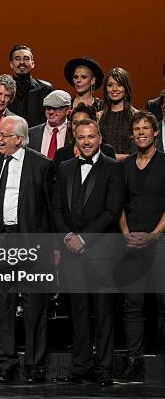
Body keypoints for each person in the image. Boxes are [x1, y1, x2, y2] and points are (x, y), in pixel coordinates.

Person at [51, 119, 125, 386]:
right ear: (75, 138)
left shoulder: (114, 168)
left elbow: (111, 210)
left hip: (102, 252)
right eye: (81, 137)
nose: (86, 141)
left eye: (91, 137)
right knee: (78, 312)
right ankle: (81, 365)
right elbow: (57, 208)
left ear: (100, 137)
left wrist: (84, 238)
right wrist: (68, 237)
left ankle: (104, 368)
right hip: (71, 253)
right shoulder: (66, 167)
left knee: (104, 312)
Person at [0, 116, 55, 383]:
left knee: (34, 305)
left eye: (4, 135)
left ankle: (35, 365)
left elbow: (49, 209)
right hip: (1, 240)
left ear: (20, 140)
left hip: (31, 242)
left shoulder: (41, 165)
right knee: (1, 305)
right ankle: (5, 363)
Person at [117, 111, 165, 383]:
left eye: (145, 128)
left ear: (155, 132)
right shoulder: (124, 166)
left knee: (163, 302)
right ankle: (133, 361)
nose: (141, 133)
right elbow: (119, 204)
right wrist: (126, 234)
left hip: (160, 241)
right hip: (131, 243)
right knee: (132, 305)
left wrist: (154, 234)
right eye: (136, 129)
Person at [53, 103, 115, 172]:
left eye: (84, 122)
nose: (79, 127)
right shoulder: (61, 154)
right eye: (75, 123)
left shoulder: (106, 151)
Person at [7, 44, 54, 127]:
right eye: (17, 59)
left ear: (32, 64)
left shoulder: (45, 89)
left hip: (38, 138)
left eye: (26, 59)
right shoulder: (3, 89)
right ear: (11, 64)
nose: (22, 62)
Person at [97, 67, 137, 161]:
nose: (114, 89)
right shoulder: (99, 117)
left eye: (119, 85)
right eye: (110, 85)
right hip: (104, 169)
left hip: (128, 168)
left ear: (126, 88)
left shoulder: (135, 116)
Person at [28, 90, 73, 159]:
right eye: (48, 108)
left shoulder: (74, 133)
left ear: (68, 110)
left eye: (56, 108)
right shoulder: (31, 134)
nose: (51, 112)